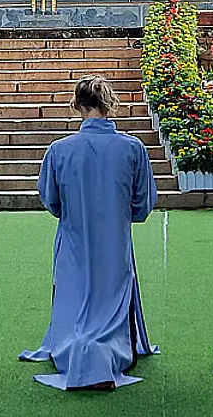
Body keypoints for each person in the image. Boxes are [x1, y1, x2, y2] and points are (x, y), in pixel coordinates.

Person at [19, 75, 159, 389]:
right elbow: (144, 203)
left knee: (75, 299)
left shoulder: (59, 150)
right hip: (114, 242)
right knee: (111, 297)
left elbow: (51, 200)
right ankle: (104, 356)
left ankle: (82, 355)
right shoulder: (132, 148)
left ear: (77, 105)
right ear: (109, 103)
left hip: (75, 240)